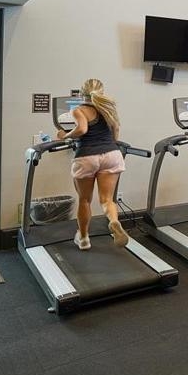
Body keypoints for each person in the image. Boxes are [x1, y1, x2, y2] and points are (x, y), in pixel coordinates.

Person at [57, 79, 129, 250]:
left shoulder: (78, 110)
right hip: (112, 154)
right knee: (107, 200)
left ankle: (83, 239)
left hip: (87, 157)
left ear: (82, 94)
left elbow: (82, 129)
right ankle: (114, 221)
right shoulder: (108, 108)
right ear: (101, 92)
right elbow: (116, 129)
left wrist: (64, 136)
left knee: (85, 200)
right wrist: (110, 144)